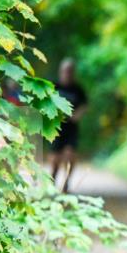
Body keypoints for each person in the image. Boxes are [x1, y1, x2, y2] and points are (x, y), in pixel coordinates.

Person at [48, 58, 88, 193]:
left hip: (71, 128)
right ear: (61, 71)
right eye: (65, 71)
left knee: (70, 155)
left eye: (70, 71)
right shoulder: (54, 86)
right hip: (56, 126)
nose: (67, 73)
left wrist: (78, 115)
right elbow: (45, 101)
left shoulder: (78, 89)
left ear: (73, 72)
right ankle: (52, 180)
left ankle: (66, 184)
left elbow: (85, 105)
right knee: (55, 159)